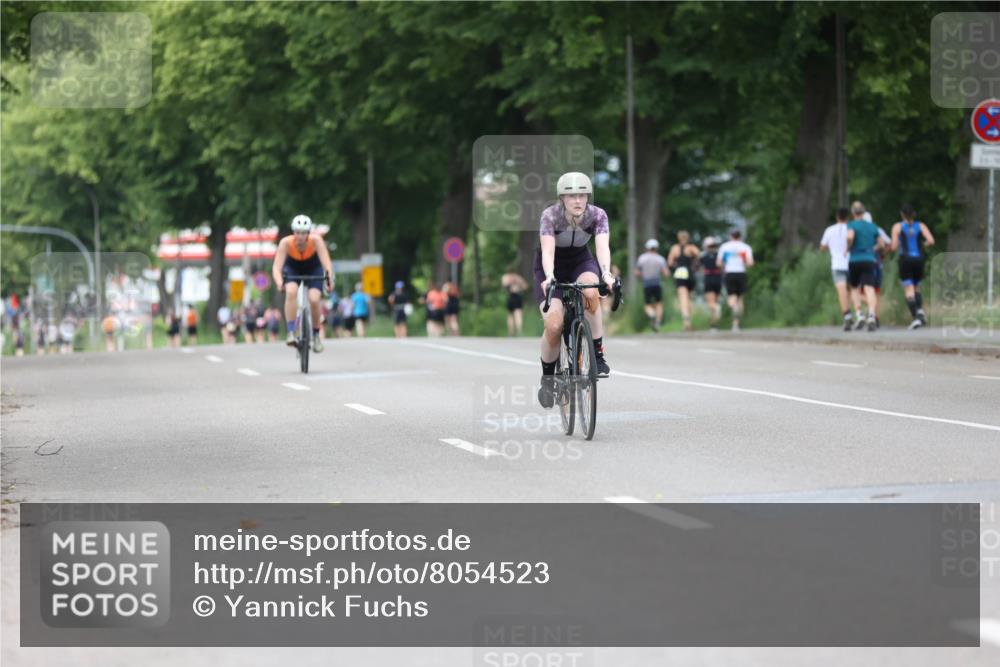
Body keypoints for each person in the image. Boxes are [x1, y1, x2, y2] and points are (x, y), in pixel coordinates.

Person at [535, 171, 615, 408]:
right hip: (551, 267)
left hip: (581, 261)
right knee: (554, 325)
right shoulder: (550, 216)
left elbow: (602, 247)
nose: (578, 200)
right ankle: (548, 380)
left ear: (588, 196)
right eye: (571, 196)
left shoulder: (597, 215)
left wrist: (606, 273)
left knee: (591, 292)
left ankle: (597, 355)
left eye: (582, 195)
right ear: (562, 198)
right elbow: (547, 252)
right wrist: (550, 276)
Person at [272, 214, 334, 352]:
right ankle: (291, 332)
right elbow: (276, 267)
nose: (300, 236)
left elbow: (327, 264)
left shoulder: (316, 241)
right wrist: (279, 282)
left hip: (313, 268)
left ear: (308, 233)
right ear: (293, 232)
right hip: (293, 268)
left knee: (314, 298)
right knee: (291, 291)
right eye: (298, 232)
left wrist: (330, 280)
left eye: (304, 233)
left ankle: (316, 335)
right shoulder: (285, 243)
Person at [891, 204, 935, 329]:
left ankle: (916, 317)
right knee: (916, 287)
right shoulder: (920, 226)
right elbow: (931, 241)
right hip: (919, 259)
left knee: (908, 289)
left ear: (902, 214)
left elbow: (894, 246)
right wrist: (922, 245)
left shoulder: (898, 227)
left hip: (905, 259)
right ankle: (920, 311)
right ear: (913, 214)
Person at [846, 202, 884, 331]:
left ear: (853, 212)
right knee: (869, 288)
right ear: (863, 212)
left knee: (854, 287)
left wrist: (848, 247)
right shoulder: (872, 226)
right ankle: (872, 315)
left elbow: (850, 237)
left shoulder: (851, 225)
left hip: (855, 259)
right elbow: (881, 244)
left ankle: (859, 314)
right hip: (869, 259)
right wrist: (872, 249)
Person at [820, 207, 853, 330]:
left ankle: (847, 315)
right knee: (852, 291)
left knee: (841, 291)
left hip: (837, 264)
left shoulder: (829, 230)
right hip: (851, 262)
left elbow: (822, 247)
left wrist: (831, 247)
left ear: (837, 217)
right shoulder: (851, 229)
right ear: (848, 217)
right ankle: (856, 312)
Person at [717, 229, 754, 331]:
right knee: (740, 298)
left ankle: (734, 316)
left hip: (730, 273)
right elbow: (750, 263)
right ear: (740, 236)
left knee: (732, 298)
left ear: (731, 236)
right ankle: (737, 322)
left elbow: (719, 263)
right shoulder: (745, 247)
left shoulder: (724, 247)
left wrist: (726, 265)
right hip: (741, 273)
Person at [667, 231, 700, 331]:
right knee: (689, 298)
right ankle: (689, 320)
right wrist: (694, 264)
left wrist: (676, 265)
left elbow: (670, 263)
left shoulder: (675, 248)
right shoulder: (691, 248)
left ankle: (686, 320)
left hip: (680, 273)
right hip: (690, 273)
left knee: (683, 298)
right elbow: (699, 256)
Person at [635, 239, 669, 331]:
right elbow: (666, 273)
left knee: (647, 305)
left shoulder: (642, 258)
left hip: (647, 283)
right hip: (657, 283)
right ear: (656, 248)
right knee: (659, 303)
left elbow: (637, 273)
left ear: (647, 248)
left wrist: (642, 275)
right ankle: (657, 322)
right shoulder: (660, 259)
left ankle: (652, 314)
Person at [699, 236, 723, 330]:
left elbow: (699, 268)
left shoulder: (703, 257)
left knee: (711, 303)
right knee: (715, 301)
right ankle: (714, 324)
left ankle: (717, 308)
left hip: (709, 278)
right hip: (718, 278)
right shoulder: (719, 256)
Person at [501, 268, 528, 336]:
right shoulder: (517, 277)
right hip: (515, 296)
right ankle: (518, 331)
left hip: (511, 296)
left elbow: (504, 285)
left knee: (511, 315)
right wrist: (518, 284)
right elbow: (525, 287)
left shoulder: (506, 277)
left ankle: (512, 332)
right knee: (517, 314)